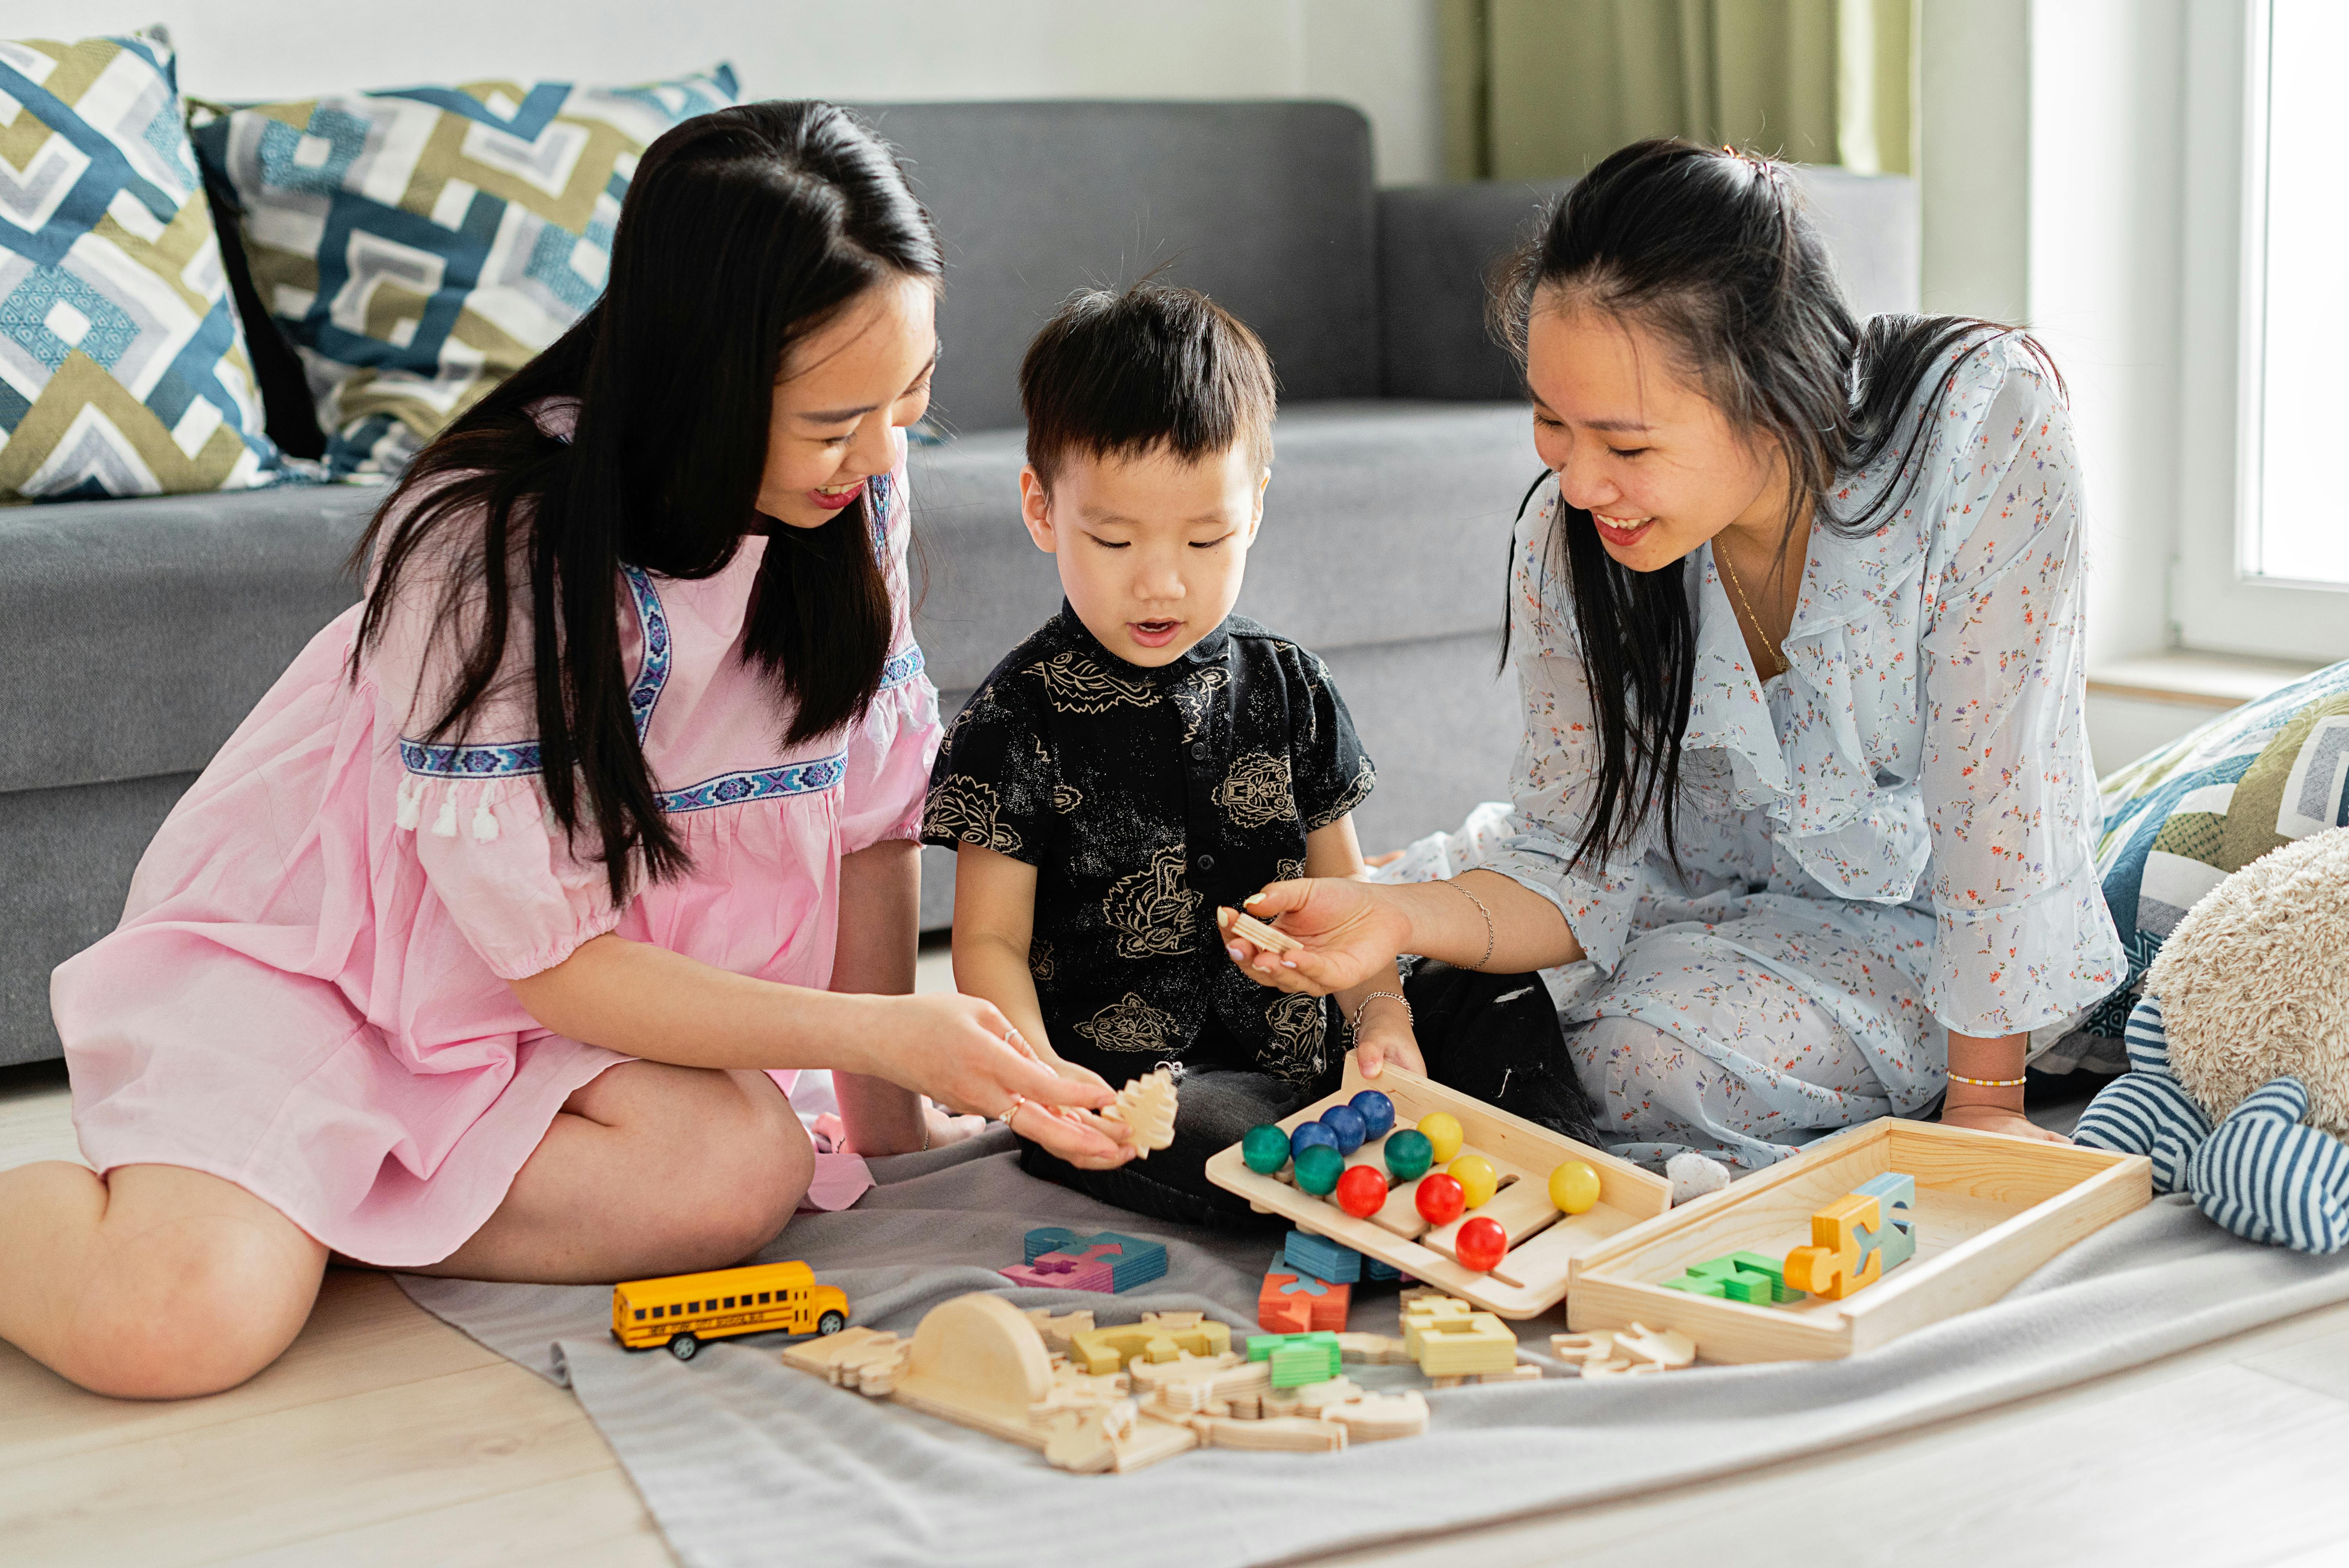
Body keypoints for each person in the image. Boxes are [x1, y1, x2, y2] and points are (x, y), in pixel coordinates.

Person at [0, 102, 1124, 1402]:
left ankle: (304, 1207)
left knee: (745, 1173)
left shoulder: (851, 477)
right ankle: (227, 1200)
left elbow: (866, 810)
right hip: (341, 965)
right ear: (700, 383)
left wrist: (885, 1112)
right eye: (833, 420)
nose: (879, 454)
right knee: (175, 1326)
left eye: (911, 401)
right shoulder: (484, 548)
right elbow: (557, 963)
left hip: (544, 1028)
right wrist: (886, 1028)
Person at [1226, 139, 2126, 1173]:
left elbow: (2000, 801)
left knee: (1642, 1059)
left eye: (1627, 444)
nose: (1576, 483)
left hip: (1913, 932)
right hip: (1683, 883)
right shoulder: (1578, 543)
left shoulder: (1980, 431)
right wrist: (1392, 917)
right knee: (1291, 949)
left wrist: (1984, 1105)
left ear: (1769, 390)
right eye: (1549, 423)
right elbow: (1574, 854)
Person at [926, 282, 1600, 1224]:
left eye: (1205, 538)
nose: (1161, 580)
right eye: (1112, 538)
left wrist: (1382, 1019)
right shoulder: (1013, 719)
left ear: (1253, 510)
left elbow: (1351, 896)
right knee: (1214, 1136)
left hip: (1315, 1039)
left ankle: (1550, 1159)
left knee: (1493, 992)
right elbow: (987, 939)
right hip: (1142, 1084)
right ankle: (1357, 1186)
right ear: (1041, 509)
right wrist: (1040, 1081)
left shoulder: (1289, 687)